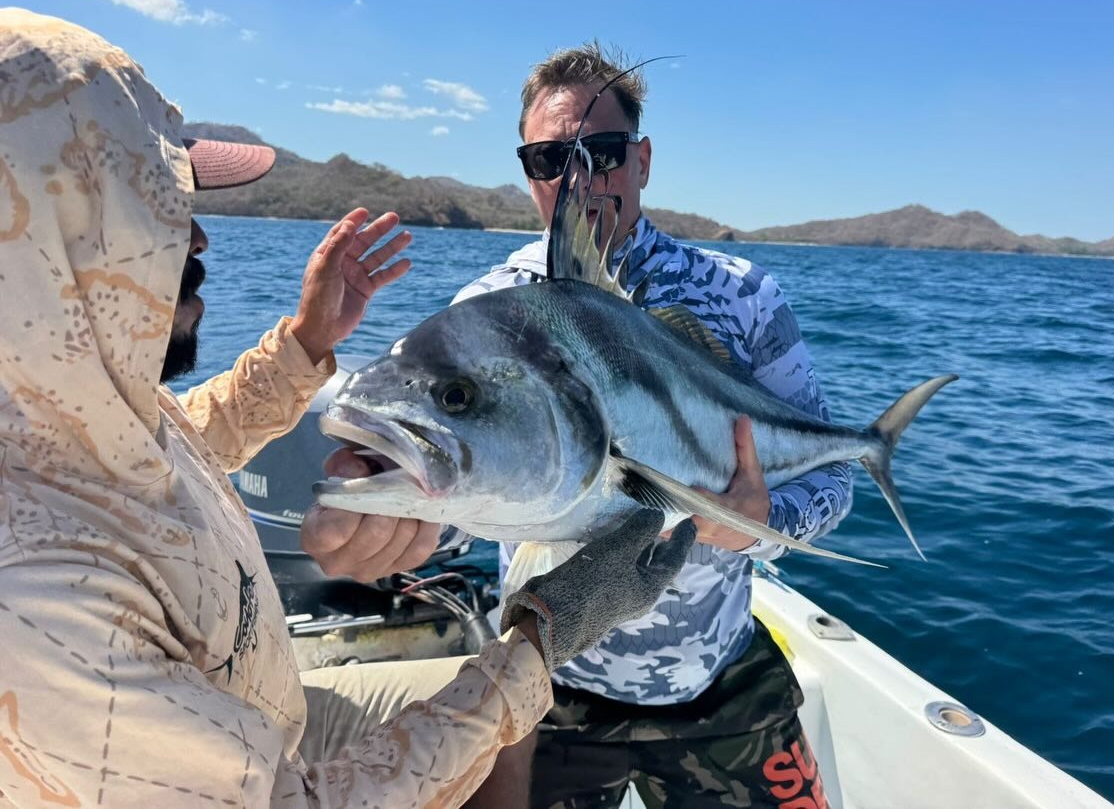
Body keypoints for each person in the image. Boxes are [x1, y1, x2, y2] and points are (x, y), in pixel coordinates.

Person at [0, 10, 695, 808]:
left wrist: (304, 344)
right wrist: (541, 644)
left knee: (507, 723)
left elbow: (186, 439)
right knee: (501, 705)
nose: (196, 238)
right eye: (156, 198)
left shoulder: (58, 407)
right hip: (256, 774)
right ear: (37, 231)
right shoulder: (30, 598)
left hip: (265, 705)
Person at [305, 43, 847, 807]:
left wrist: (759, 526)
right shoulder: (484, 307)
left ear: (644, 159)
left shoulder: (742, 295)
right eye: (551, 156)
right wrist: (399, 529)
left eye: (603, 151)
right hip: (540, 682)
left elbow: (831, 476)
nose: (580, 176)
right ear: (526, 170)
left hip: (715, 682)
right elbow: (478, 496)